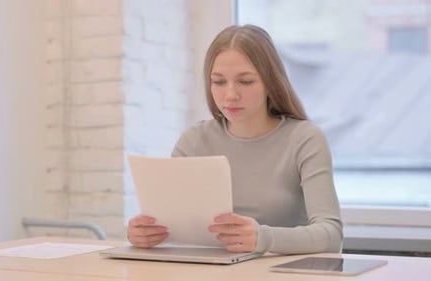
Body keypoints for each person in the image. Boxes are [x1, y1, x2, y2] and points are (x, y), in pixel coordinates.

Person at [127, 24, 343, 255]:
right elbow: (171, 223)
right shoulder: (193, 141)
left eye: (246, 81)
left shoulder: (305, 139)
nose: (230, 95)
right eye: (219, 82)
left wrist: (263, 238)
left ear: (271, 82)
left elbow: (330, 235)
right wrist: (143, 233)